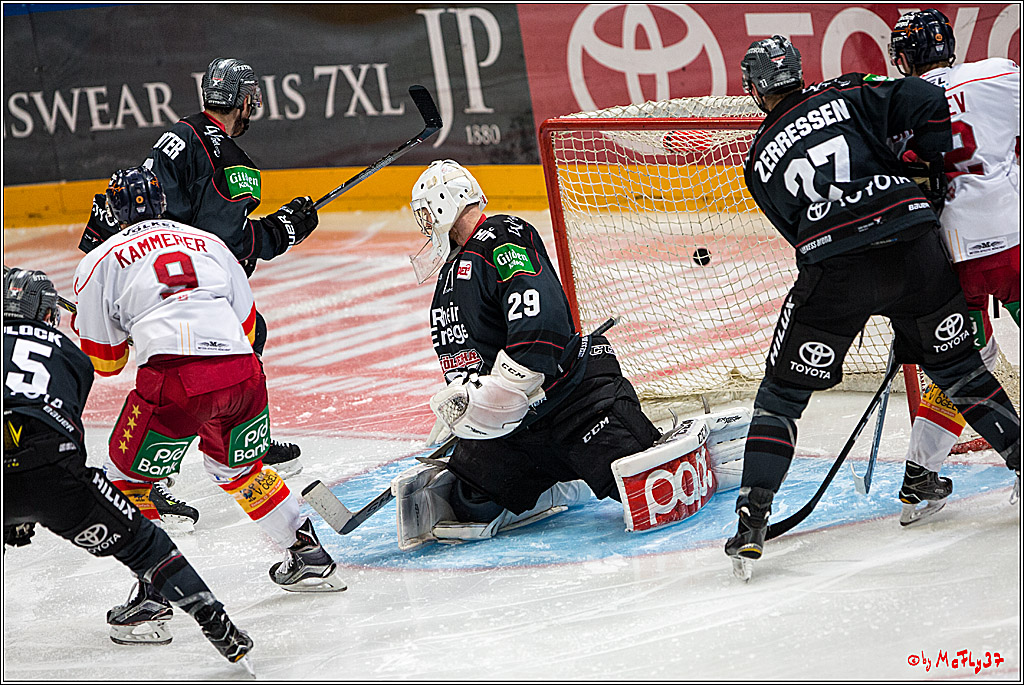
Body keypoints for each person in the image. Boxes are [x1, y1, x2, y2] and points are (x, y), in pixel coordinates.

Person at [725, 35, 1020, 578]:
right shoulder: (848, 93)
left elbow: (795, 231)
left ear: (752, 91)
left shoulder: (757, 159)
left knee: (782, 396)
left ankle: (751, 520)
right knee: (959, 369)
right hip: (913, 246)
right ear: (798, 70)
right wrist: (926, 169)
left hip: (835, 272)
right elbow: (930, 100)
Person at [393, 159, 724, 549]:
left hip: (575, 403)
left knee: (653, 490)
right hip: (516, 428)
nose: (425, 224)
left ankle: (605, 463)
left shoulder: (501, 236)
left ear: (447, 203)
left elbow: (538, 316)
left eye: (427, 213)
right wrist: (466, 409)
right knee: (467, 507)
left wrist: (501, 392)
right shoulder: (448, 277)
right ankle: (558, 483)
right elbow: (462, 355)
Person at [72, 166, 346, 608]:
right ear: (162, 203)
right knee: (238, 470)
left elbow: (106, 362)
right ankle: (307, 553)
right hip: (242, 374)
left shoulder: (99, 261)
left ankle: (154, 590)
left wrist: (117, 326)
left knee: (126, 478)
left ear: (113, 211)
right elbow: (247, 324)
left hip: (175, 381)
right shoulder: (209, 242)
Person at [77, 57, 311, 489]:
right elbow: (227, 243)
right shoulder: (232, 160)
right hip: (187, 279)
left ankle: (154, 463)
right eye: (250, 101)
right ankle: (241, 442)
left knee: (164, 364)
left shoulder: (178, 134)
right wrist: (284, 229)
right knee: (239, 341)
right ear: (242, 102)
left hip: (134, 268)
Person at [3, 267, 252, 664]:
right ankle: (216, 622)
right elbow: (59, 427)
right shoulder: (72, 356)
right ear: (47, 313)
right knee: (145, 545)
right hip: (53, 472)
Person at [888, 9, 1021, 524]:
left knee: (962, 366)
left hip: (950, 255)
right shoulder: (998, 74)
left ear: (904, 58)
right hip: (1014, 241)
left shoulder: (892, 104)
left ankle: (921, 476)